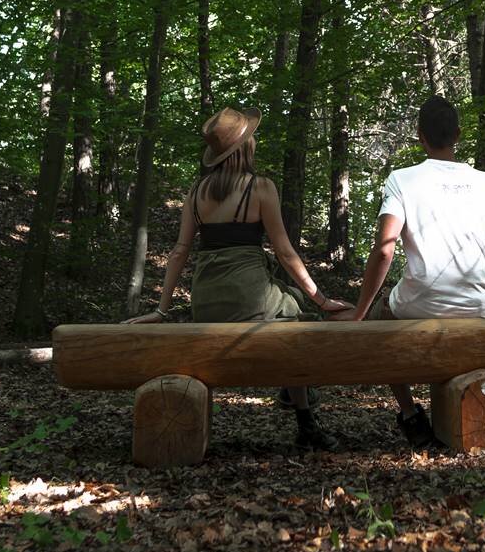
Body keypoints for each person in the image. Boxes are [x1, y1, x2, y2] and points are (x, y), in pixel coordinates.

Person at [126, 106, 350, 450]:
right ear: (245, 147)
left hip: (206, 301)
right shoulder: (260, 188)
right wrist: (322, 298)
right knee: (297, 309)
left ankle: (295, 396)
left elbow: (179, 252)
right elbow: (285, 253)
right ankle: (306, 419)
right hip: (250, 298)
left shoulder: (196, 192)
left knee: (289, 298)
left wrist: (162, 309)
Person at [348, 94, 485, 450]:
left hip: (416, 306)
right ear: (459, 133)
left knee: (379, 323)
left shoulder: (402, 180)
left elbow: (384, 249)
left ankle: (410, 414)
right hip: (477, 310)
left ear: (420, 136)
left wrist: (359, 313)